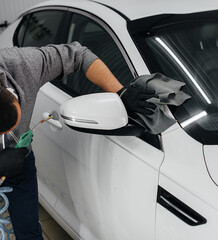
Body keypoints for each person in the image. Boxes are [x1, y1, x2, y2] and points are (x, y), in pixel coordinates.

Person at [0, 41, 155, 239]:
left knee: (28, 230)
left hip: (21, 164)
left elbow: (79, 55)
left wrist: (120, 91)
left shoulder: (22, 65)